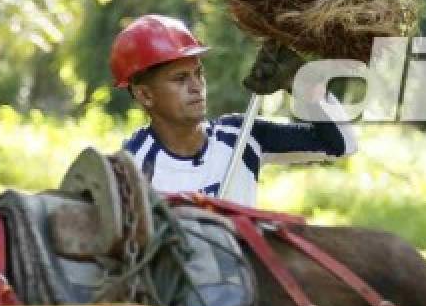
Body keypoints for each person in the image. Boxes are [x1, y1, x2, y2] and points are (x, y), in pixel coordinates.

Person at [111, 14, 356, 206]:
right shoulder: (132, 167)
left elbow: (341, 145)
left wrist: (302, 84)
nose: (196, 86)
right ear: (145, 95)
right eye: (180, 78)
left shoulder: (241, 136)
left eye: (199, 74)